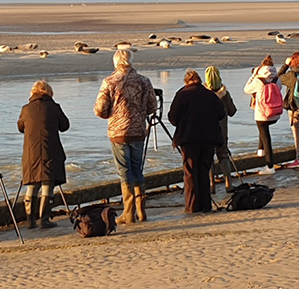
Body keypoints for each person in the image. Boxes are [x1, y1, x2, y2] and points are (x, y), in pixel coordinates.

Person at [94, 49, 157, 224]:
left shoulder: (110, 82)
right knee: (137, 170)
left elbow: (99, 109)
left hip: (119, 132)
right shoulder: (144, 81)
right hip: (138, 131)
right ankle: (141, 211)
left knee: (124, 172)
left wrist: (111, 115)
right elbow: (153, 107)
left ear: (116, 63)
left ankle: (128, 213)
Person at [168, 69, 225, 213]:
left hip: (189, 139)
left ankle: (192, 206)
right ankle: (205, 205)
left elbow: (173, 118)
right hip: (208, 139)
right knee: (204, 171)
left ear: (186, 81)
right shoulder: (210, 95)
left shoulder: (182, 95)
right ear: (200, 80)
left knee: (190, 173)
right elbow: (221, 114)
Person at [17, 80, 70, 229]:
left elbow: (21, 127)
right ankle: (44, 219)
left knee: (32, 183)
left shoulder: (26, 109)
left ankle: (30, 220)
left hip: (31, 152)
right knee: (48, 182)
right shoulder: (54, 107)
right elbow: (65, 126)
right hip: (50, 150)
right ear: (49, 92)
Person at [243, 55, 282, 175]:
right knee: (264, 129)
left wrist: (253, 75)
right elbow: (279, 88)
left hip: (262, 113)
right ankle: (260, 150)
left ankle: (270, 166)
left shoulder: (258, 80)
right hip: (275, 112)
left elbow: (247, 89)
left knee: (265, 135)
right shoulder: (277, 79)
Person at [204, 66, 237, 192]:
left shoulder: (203, 94)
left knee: (209, 156)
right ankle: (228, 182)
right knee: (223, 155)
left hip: (207, 131)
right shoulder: (225, 93)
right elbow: (232, 111)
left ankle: (211, 184)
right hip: (222, 131)